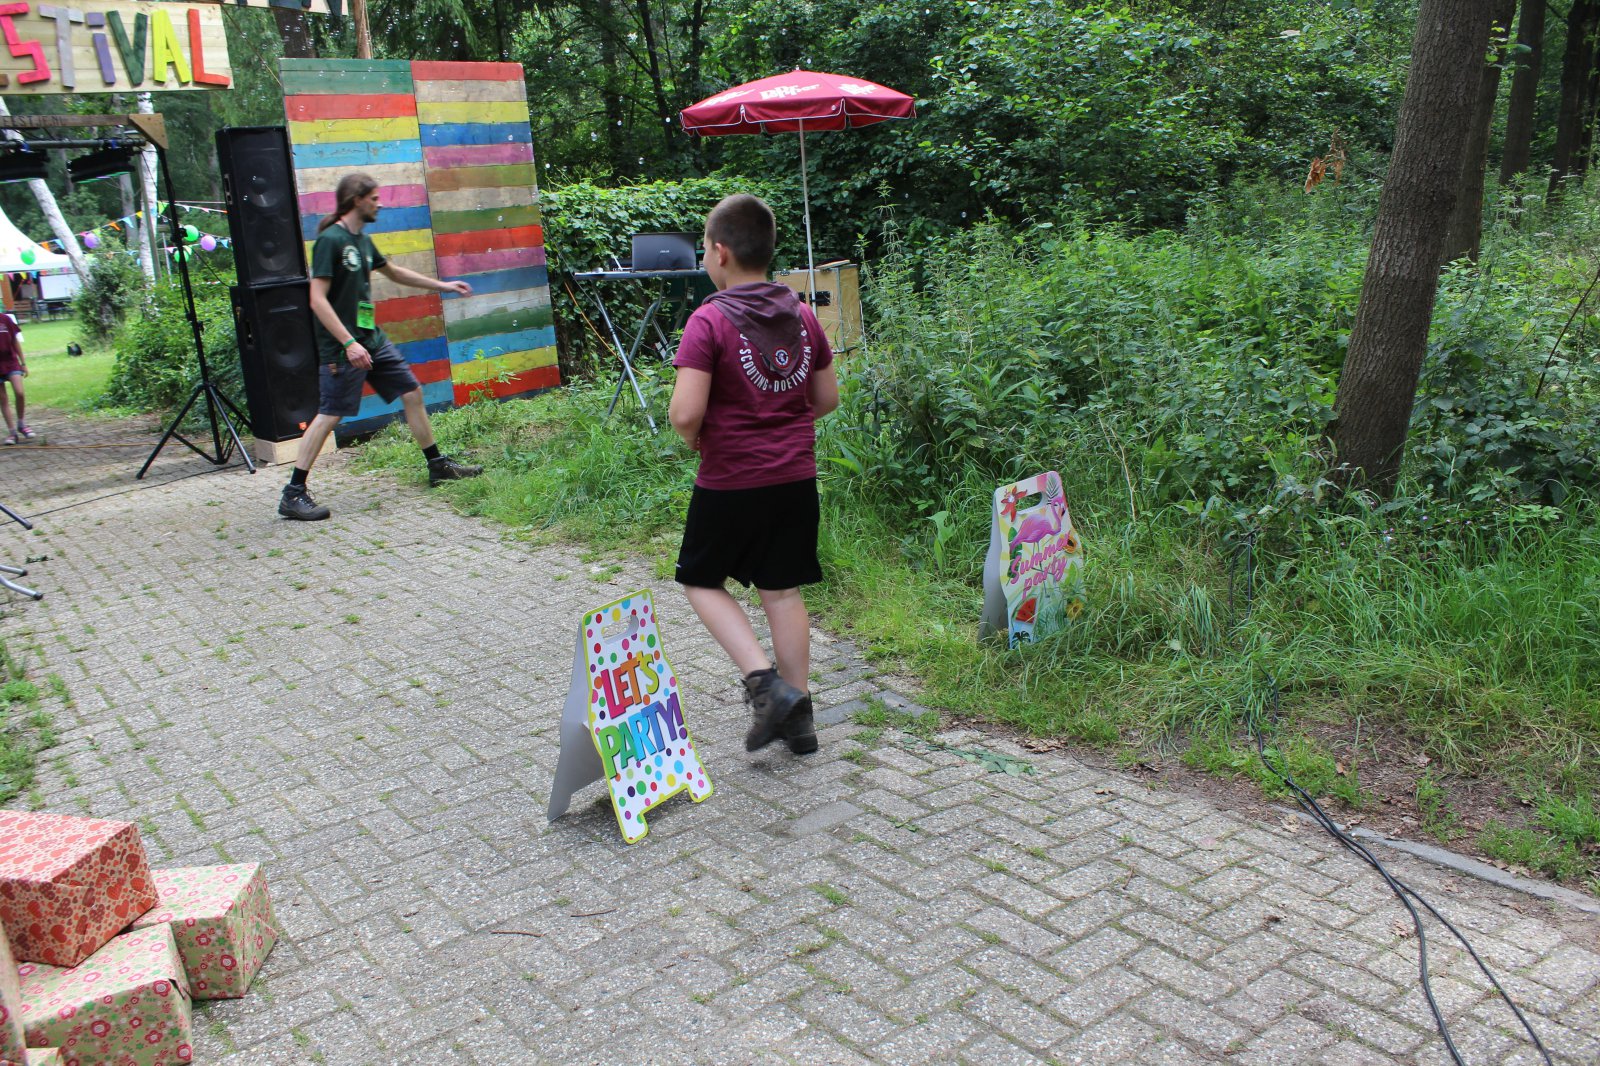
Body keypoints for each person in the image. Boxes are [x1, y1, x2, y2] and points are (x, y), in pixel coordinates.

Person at [667, 194, 840, 754]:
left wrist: (693, 435)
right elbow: (827, 398)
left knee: (699, 579)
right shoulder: (802, 313)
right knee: (781, 590)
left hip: (732, 479)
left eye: (704, 250)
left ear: (719, 252)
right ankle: (800, 719)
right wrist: (780, 421)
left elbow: (685, 413)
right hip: (795, 477)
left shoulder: (709, 319)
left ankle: (765, 686)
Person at [279, 173, 482, 521]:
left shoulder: (361, 240)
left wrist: (444, 286)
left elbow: (395, 272)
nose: (380, 203)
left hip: (372, 338)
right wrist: (348, 343)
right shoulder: (330, 240)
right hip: (343, 347)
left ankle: (437, 465)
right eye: (374, 198)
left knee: (412, 392)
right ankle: (293, 493)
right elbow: (317, 300)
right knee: (331, 413)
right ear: (356, 199)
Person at [0, 309, 31, 445]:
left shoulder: (5, 319)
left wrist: (23, 363)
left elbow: (15, 341)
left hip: (11, 362)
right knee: (3, 399)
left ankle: (21, 424)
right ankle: (12, 432)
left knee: (19, 392)